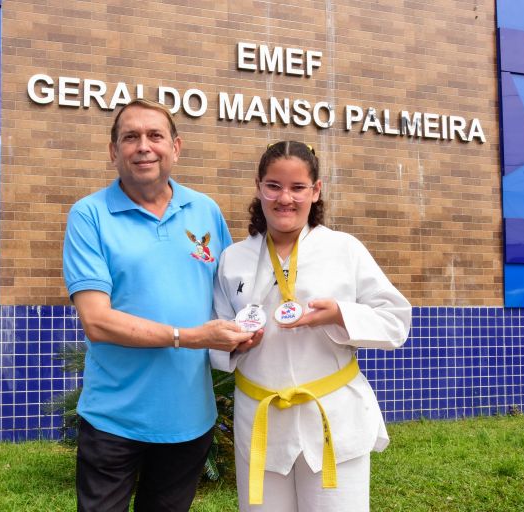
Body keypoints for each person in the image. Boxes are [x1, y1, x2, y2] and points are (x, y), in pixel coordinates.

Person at [63, 98, 261, 512]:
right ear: (113, 150)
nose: (143, 146)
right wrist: (189, 337)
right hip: (113, 419)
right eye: (130, 137)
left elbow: (233, 296)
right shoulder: (90, 216)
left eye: (155, 135)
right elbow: (97, 322)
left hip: (190, 419)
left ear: (176, 146)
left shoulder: (204, 210)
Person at [210, 141, 411, 511]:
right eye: (274, 186)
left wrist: (340, 314)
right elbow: (216, 336)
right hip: (260, 422)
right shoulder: (232, 259)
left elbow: (395, 320)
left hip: (332, 418)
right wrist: (234, 344)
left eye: (298, 187)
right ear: (258, 186)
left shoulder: (344, 250)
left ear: (316, 191)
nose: (285, 198)